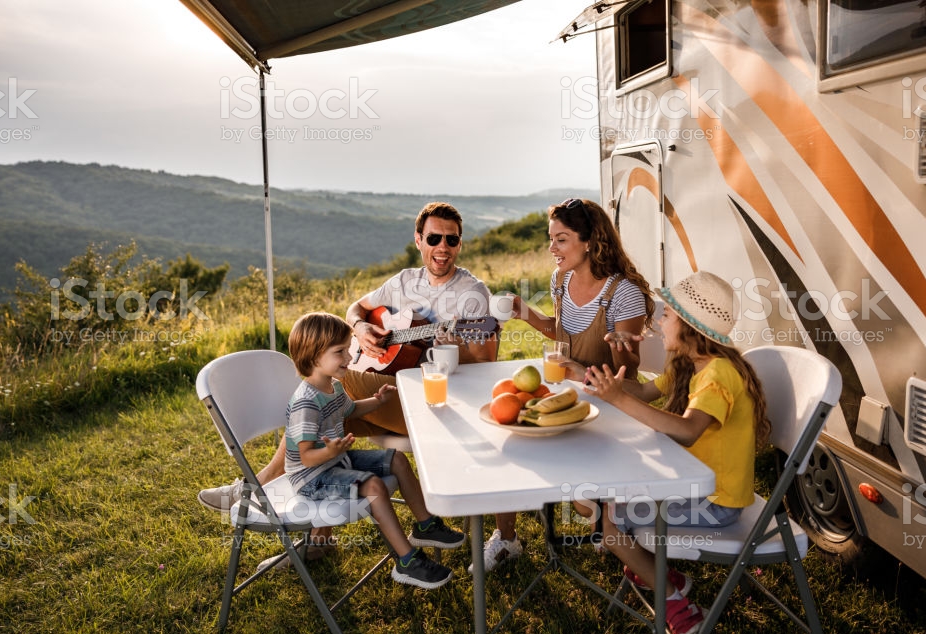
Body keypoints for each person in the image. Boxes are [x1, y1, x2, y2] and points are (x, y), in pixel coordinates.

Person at [198, 202, 497, 561]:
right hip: (388, 395)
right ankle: (312, 535)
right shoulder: (403, 282)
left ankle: (250, 489)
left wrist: (457, 347)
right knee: (327, 417)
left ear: (460, 244)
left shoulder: (472, 293)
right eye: (434, 238)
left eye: (452, 240)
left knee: (327, 388)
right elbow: (356, 308)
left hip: (438, 404)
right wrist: (360, 327)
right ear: (419, 240)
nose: (443, 247)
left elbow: (486, 361)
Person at [579, 270, 771, 634]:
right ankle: (660, 574)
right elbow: (644, 392)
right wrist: (595, 381)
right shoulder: (691, 365)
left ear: (690, 326)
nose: (659, 321)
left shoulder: (717, 374)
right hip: (689, 486)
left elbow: (687, 430)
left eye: (667, 315)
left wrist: (618, 400)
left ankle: (674, 600)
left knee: (607, 517)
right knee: (589, 499)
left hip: (716, 503)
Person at [474, 197, 655, 572]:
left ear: (589, 241)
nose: (551, 249)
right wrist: (526, 313)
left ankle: (610, 521)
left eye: (561, 239)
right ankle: (507, 537)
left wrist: (612, 354)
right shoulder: (561, 279)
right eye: (550, 239)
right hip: (567, 396)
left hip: (612, 408)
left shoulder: (624, 293)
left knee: (577, 493)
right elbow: (560, 329)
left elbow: (628, 372)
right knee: (507, 440)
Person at [277, 311, 464, 588]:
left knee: (398, 460)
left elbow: (352, 410)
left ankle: (425, 525)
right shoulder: (306, 402)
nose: (349, 358)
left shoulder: (333, 386)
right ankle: (407, 561)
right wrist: (329, 453)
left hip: (334, 461)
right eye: (340, 352)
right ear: (315, 357)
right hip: (312, 476)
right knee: (374, 485)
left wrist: (376, 401)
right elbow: (305, 457)